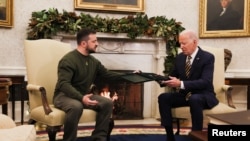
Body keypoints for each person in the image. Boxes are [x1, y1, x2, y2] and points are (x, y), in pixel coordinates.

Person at [53, 28, 126, 141]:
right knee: (76, 106)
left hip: (83, 95)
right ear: (83, 43)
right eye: (94, 41)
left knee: (107, 103)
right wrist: (81, 98)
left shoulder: (93, 62)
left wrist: (130, 75)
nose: (97, 44)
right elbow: (63, 84)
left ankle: (99, 138)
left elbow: (107, 74)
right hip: (63, 96)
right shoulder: (68, 60)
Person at [158, 29, 219, 141]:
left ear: (194, 42)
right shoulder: (180, 57)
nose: (181, 46)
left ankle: (196, 136)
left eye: (184, 43)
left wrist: (180, 83)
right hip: (186, 95)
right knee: (163, 98)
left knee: (194, 99)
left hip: (203, 95)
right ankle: (170, 137)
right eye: (180, 43)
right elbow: (171, 76)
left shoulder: (208, 57)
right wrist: (152, 77)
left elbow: (205, 82)